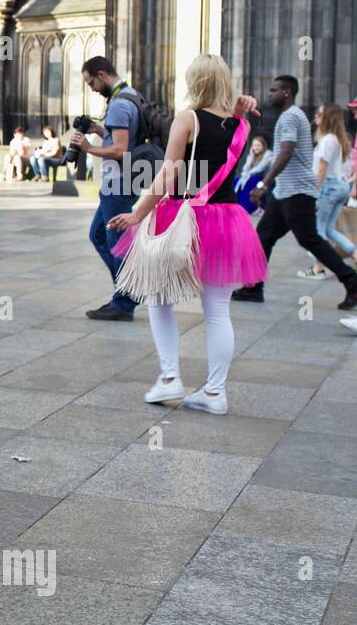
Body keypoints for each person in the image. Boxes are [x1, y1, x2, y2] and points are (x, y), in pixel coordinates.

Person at [108, 54, 269, 415]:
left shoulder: (188, 118)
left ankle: (169, 378)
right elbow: (221, 155)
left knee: (158, 298)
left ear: (194, 82)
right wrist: (240, 110)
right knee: (217, 312)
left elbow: (169, 175)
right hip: (227, 219)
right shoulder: (240, 127)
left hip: (183, 216)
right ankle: (215, 392)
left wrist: (137, 212)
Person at [232, 76, 357, 310]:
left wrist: (263, 184)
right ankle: (252, 287)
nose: (269, 94)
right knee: (264, 236)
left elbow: (286, 152)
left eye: (274, 90)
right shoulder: (292, 115)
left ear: (287, 92)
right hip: (285, 192)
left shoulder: (290, 116)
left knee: (309, 239)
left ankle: (352, 282)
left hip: (297, 191)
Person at [71, 56, 141, 321]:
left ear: (101, 74)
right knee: (98, 234)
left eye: (91, 82)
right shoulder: (130, 94)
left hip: (119, 182)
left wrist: (87, 147)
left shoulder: (119, 104)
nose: (91, 88)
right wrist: (98, 130)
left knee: (116, 242)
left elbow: (120, 150)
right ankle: (127, 291)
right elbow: (122, 139)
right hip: (126, 179)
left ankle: (124, 301)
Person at [296, 103, 354, 279]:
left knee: (318, 230)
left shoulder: (328, 140)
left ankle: (318, 268)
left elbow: (322, 169)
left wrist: (314, 192)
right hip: (339, 186)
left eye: (320, 114)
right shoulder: (339, 139)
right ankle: (355, 253)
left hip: (328, 187)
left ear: (328, 117)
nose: (316, 117)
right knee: (329, 229)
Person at [233, 135, 272, 214]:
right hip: (252, 179)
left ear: (263, 146)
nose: (256, 147)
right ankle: (236, 206)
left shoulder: (268, 154)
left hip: (264, 181)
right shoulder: (251, 155)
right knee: (236, 180)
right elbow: (245, 169)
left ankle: (248, 207)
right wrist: (251, 157)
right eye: (254, 145)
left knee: (250, 180)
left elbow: (260, 168)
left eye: (258, 145)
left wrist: (246, 174)